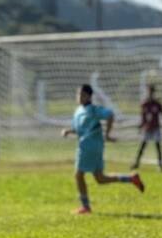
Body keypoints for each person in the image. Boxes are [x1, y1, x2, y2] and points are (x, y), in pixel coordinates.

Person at [62, 84, 145, 215]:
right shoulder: (78, 111)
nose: (80, 97)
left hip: (90, 147)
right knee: (100, 178)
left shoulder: (93, 109)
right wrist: (69, 131)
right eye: (78, 94)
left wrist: (107, 134)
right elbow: (80, 129)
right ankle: (131, 179)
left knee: (79, 175)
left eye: (83, 95)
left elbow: (110, 114)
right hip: (88, 146)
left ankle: (85, 207)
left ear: (89, 96)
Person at [132, 84, 162, 170]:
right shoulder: (144, 104)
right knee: (143, 145)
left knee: (157, 146)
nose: (150, 93)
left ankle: (160, 165)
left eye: (152, 91)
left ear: (154, 92)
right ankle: (136, 163)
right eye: (149, 91)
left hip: (156, 128)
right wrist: (141, 126)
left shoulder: (157, 104)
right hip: (147, 128)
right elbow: (143, 117)